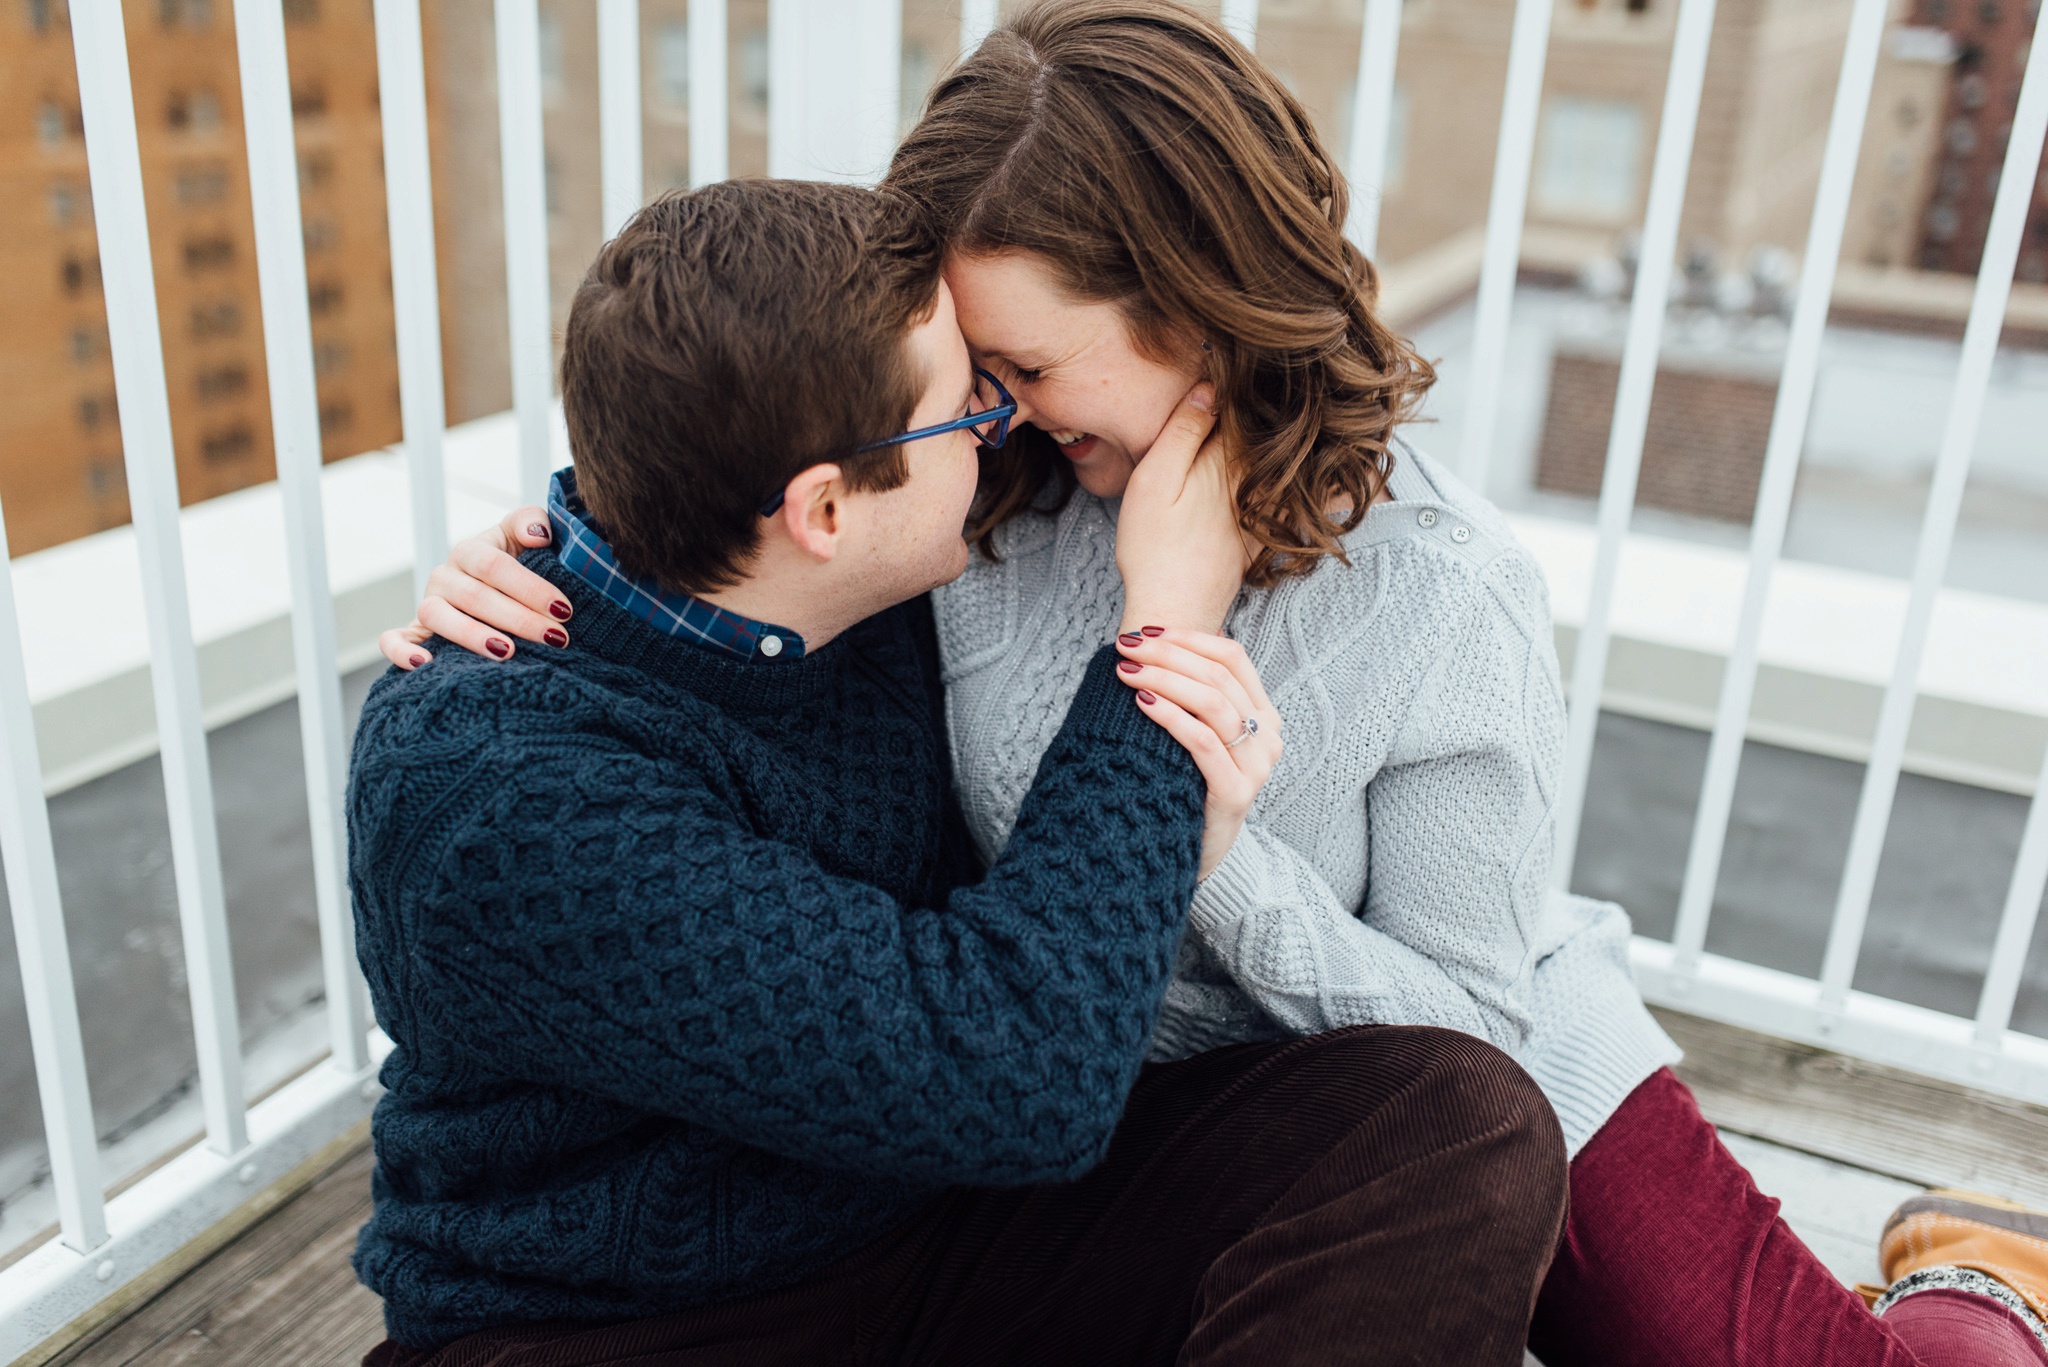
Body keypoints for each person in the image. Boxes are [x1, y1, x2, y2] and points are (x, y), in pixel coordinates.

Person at [393, 3, 2048, 1364]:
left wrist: (1216, 854)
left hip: (1426, 1035)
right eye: (969, 382)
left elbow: (1471, 1024)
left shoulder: (1438, 598)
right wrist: (560, 557)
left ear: (1195, 308)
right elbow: (757, 511)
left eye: (1019, 372)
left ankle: (1970, 1293)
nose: (998, 420)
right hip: (1070, 1118)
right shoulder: (985, 525)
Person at [348, 176, 1567, 1367]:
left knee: (1446, 1123)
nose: (1001, 421)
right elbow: (1012, 1068)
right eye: (961, 406)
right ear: (822, 508)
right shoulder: (496, 797)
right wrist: (1166, 624)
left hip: (924, 1232)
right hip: (622, 1321)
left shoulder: (826, 590)